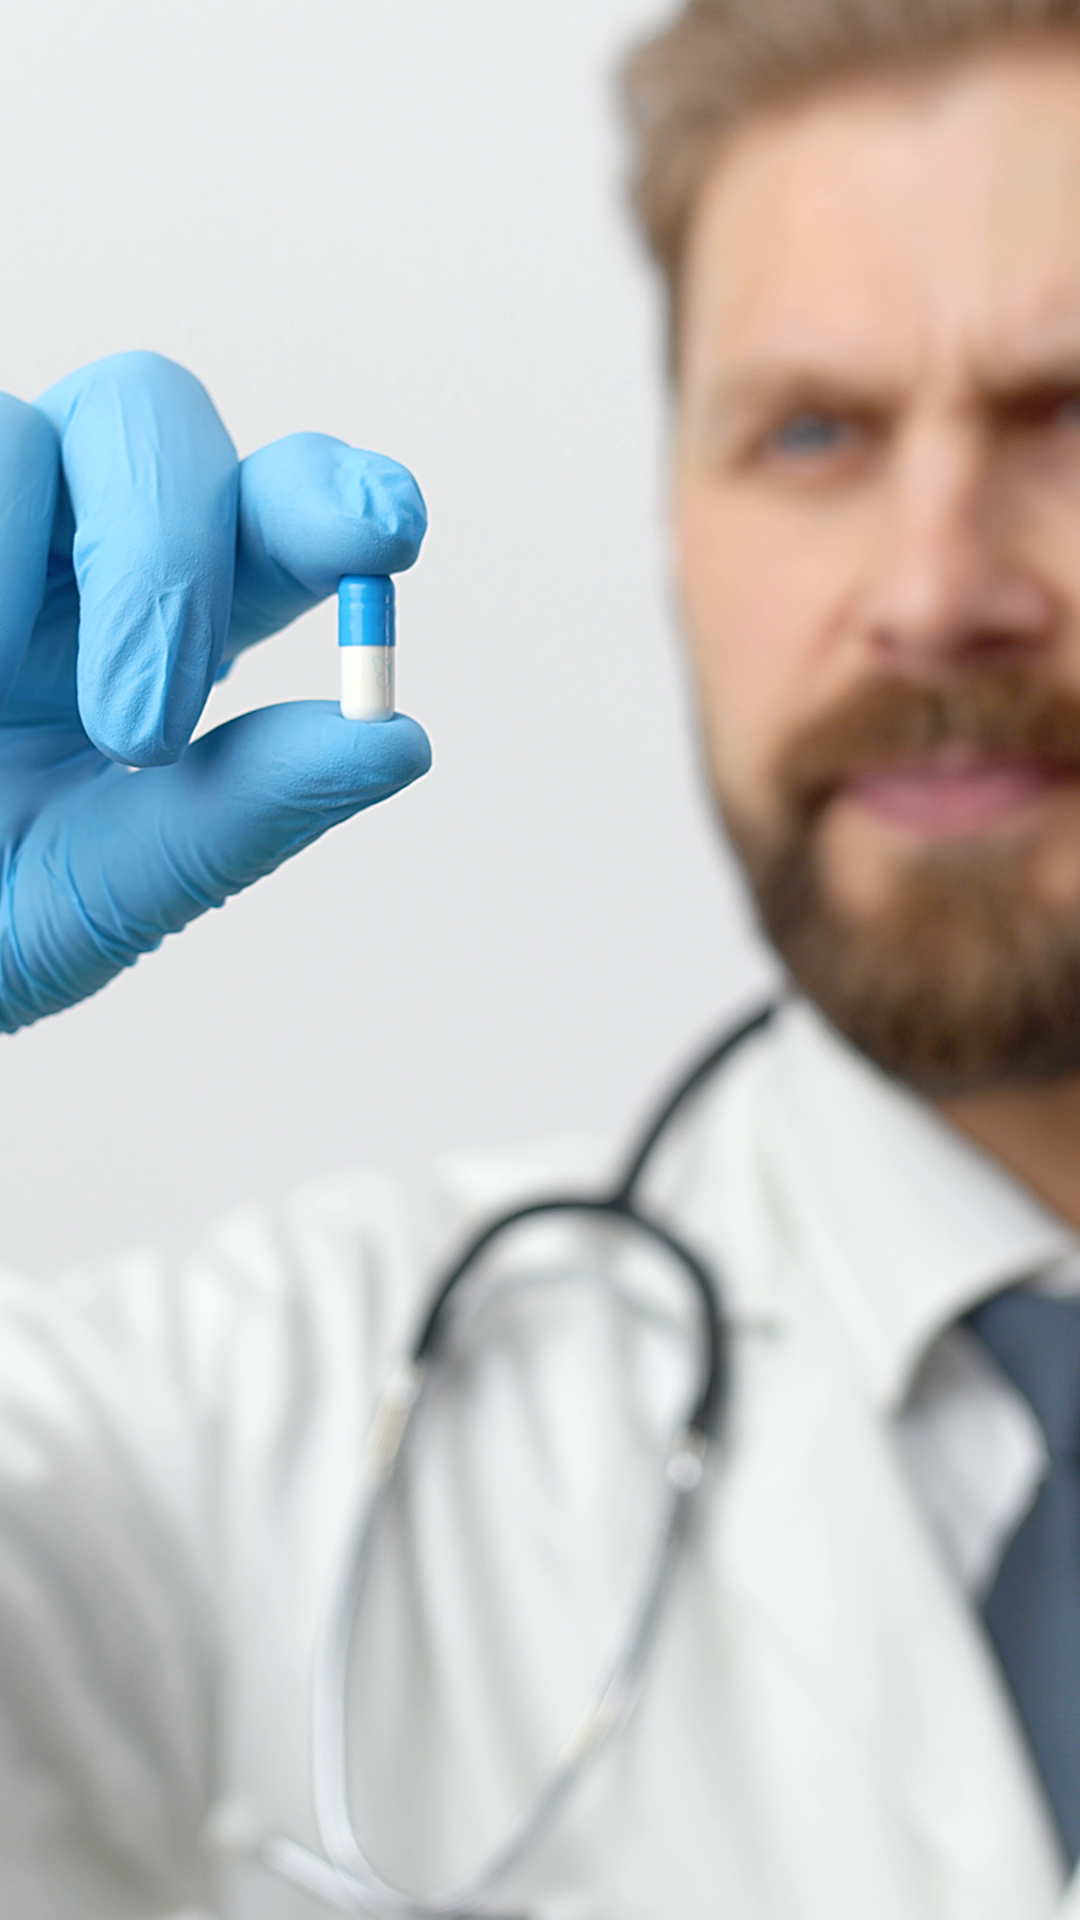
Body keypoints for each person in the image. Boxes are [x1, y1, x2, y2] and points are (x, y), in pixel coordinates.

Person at [9, 0, 1080, 1913]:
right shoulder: (239, 1431)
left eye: (1070, 411)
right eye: (810, 432)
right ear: (676, 520)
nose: (933, 593)